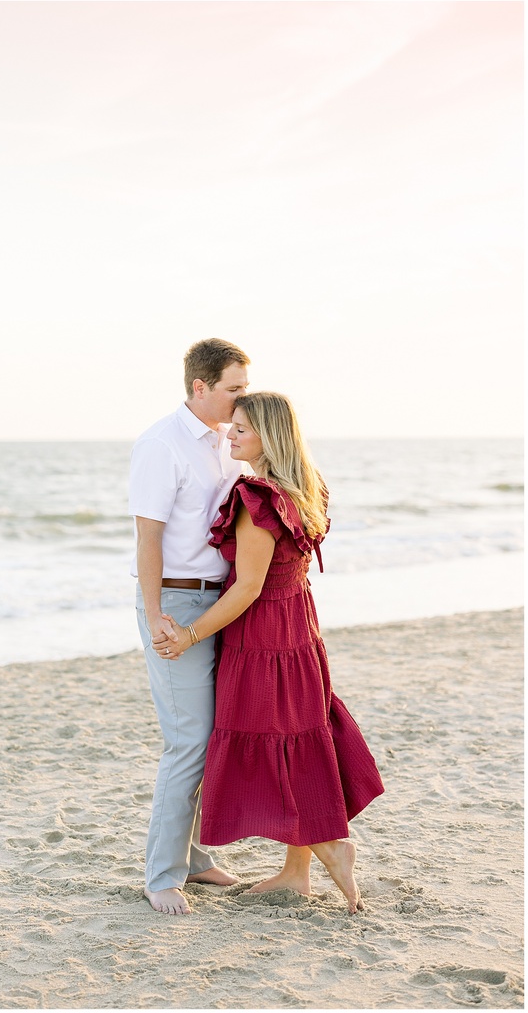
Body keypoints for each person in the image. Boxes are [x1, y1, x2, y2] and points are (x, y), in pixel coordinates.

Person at [152, 391, 384, 914]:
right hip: (300, 628)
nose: (229, 436)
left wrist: (189, 635)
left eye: (240, 430)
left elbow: (247, 588)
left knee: (277, 743)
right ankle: (294, 872)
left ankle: (328, 846)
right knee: (298, 738)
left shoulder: (256, 497)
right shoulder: (306, 485)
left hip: (263, 638)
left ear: (267, 437)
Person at [129, 338, 251, 916]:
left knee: (215, 734)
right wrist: (155, 615)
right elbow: (148, 537)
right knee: (187, 741)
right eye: (233, 388)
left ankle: (196, 859)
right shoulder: (161, 444)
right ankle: (162, 874)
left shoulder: (230, 441)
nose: (241, 398)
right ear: (200, 387)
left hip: (224, 601)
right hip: (176, 602)